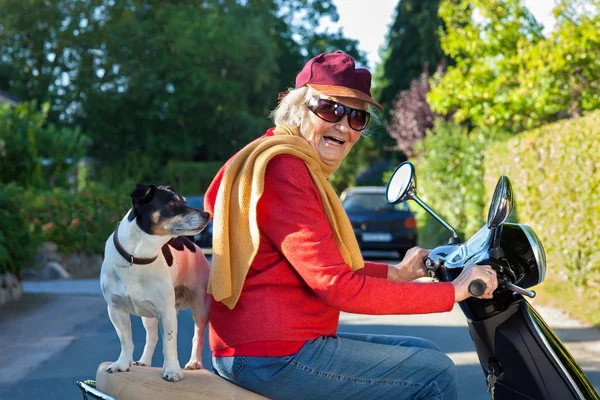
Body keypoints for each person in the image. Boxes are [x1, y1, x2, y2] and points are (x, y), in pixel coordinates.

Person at [203, 51, 498, 400]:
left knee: (420, 349)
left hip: (274, 345)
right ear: (297, 108)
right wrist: (456, 291)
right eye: (330, 109)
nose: (344, 126)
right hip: (269, 355)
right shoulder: (284, 168)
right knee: (433, 372)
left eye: (357, 117)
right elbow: (337, 286)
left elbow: (329, 266)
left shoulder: (293, 162)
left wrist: (400, 272)